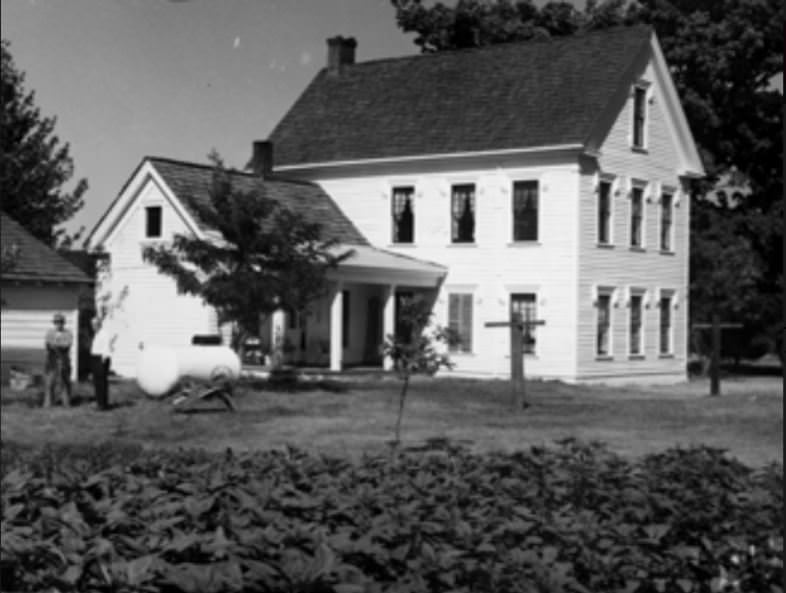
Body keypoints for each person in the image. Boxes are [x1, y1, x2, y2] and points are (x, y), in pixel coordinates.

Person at [43, 313, 73, 407]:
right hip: (51, 360)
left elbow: (67, 345)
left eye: (60, 322)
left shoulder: (68, 333)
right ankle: (48, 402)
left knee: (65, 381)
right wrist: (57, 346)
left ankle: (66, 402)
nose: (58, 323)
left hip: (64, 360)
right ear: (54, 323)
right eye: (56, 322)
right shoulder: (49, 332)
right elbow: (48, 345)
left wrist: (55, 345)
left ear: (63, 323)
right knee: (49, 382)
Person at [90, 316, 112, 410]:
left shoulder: (104, 334)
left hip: (101, 359)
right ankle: (99, 402)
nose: (93, 327)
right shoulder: (97, 334)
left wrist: (102, 363)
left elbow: (106, 349)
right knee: (97, 382)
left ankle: (103, 405)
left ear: (99, 324)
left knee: (101, 382)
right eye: (92, 325)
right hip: (95, 359)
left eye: (94, 325)